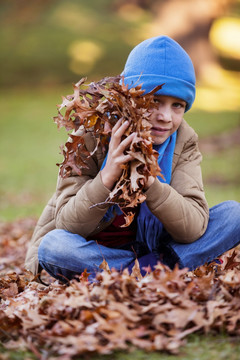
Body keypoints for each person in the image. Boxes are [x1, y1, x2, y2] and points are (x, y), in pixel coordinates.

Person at [25, 35, 240, 282]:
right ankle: (156, 271)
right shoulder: (90, 136)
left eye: (177, 105)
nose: (165, 117)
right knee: (55, 248)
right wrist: (106, 179)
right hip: (95, 250)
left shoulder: (183, 141)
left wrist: (153, 186)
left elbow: (192, 229)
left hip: (158, 247)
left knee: (233, 215)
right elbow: (69, 225)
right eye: (154, 101)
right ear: (128, 99)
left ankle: (142, 271)